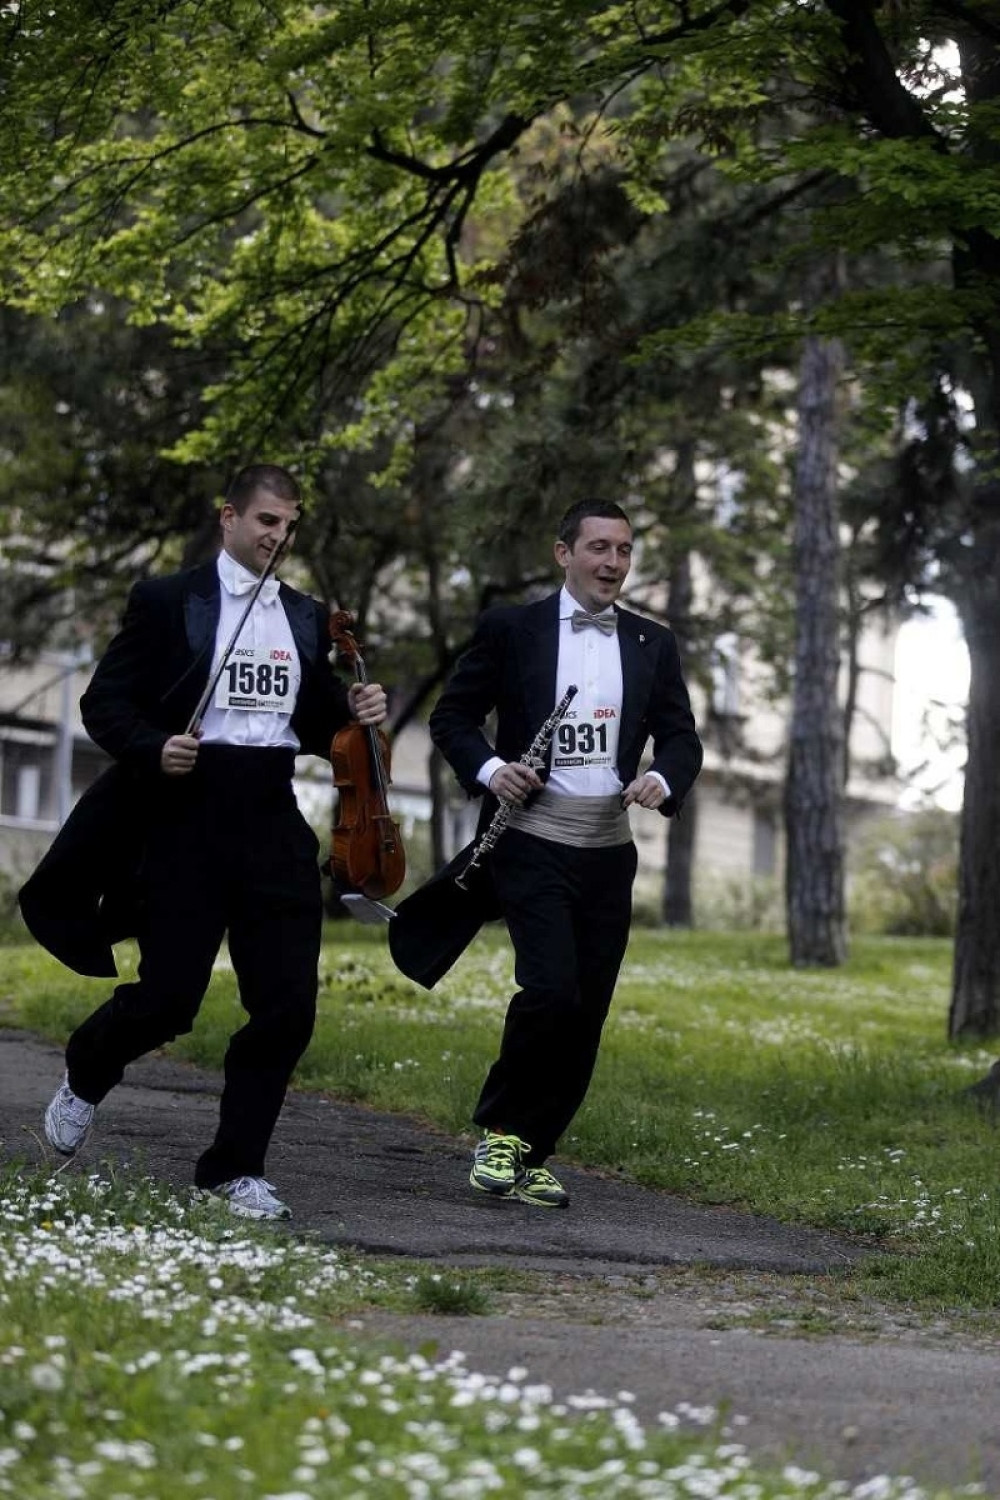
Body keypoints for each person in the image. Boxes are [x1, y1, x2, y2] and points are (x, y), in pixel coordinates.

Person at [27, 464, 386, 1220]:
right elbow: (104, 702)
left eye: (289, 525)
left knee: (287, 1007)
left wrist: (355, 709)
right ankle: (88, 1067)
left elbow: (314, 721)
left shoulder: (303, 614)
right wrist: (153, 747)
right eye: (266, 521)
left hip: (272, 815)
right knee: (168, 1002)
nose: (278, 536)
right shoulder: (167, 600)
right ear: (230, 518)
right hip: (186, 815)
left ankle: (233, 1169)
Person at [425, 500, 702, 1209]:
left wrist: (664, 778)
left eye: (624, 550)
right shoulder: (511, 628)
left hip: (608, 850)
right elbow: (452, 717)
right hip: (531, 840)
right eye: (599, 547)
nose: (613, 562)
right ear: (564, 553)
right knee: (550, 989)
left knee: (586, 1010)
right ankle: (500, 1131)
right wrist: (493, 770)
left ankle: (533, 1151)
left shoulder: (652, 642)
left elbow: (681, 737)